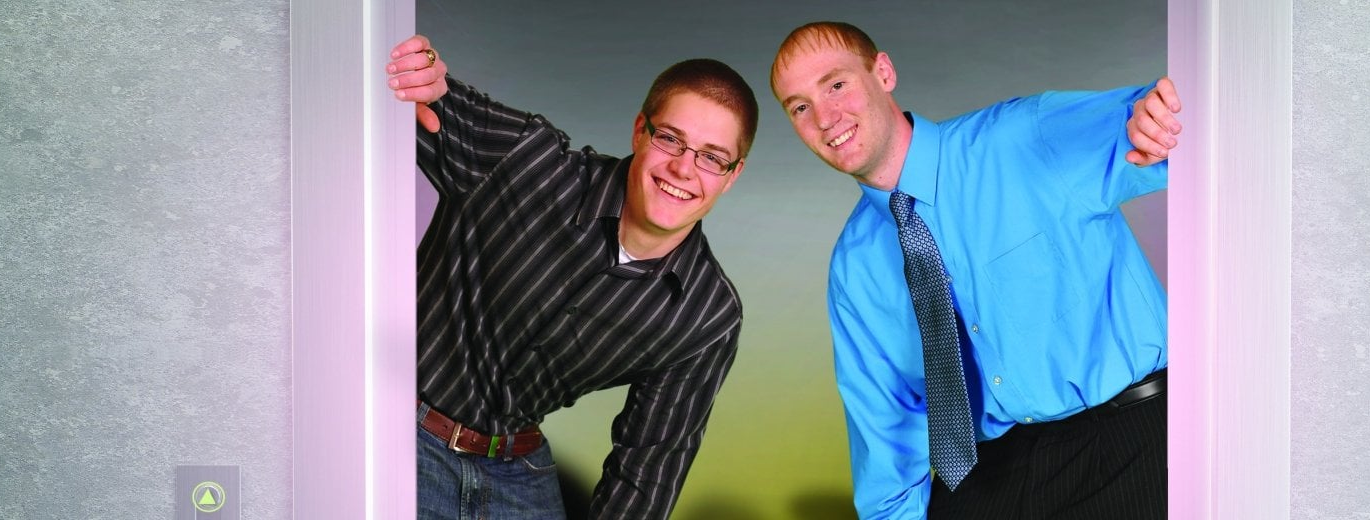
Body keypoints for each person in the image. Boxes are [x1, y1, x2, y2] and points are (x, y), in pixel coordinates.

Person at [768, 22, 1181, 518]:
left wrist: (1159, 123)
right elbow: (885, 430)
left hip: (1125, 437)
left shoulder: (1024, 137)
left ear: (882, 71)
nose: (826, 118)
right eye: (800, 107)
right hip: (991, 471)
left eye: (835, 85)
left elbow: (1167, 132)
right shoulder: (854, 268)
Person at [384, 34, 758, 519]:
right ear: (640, 132)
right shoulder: (530, 160)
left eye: (711, 157)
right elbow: (422, 93)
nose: (684, 169)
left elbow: (646, 472)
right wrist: (417, 67)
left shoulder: (706, 316)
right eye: (671, 138)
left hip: (516, 473)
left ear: (732, 175)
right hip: (401, 429)